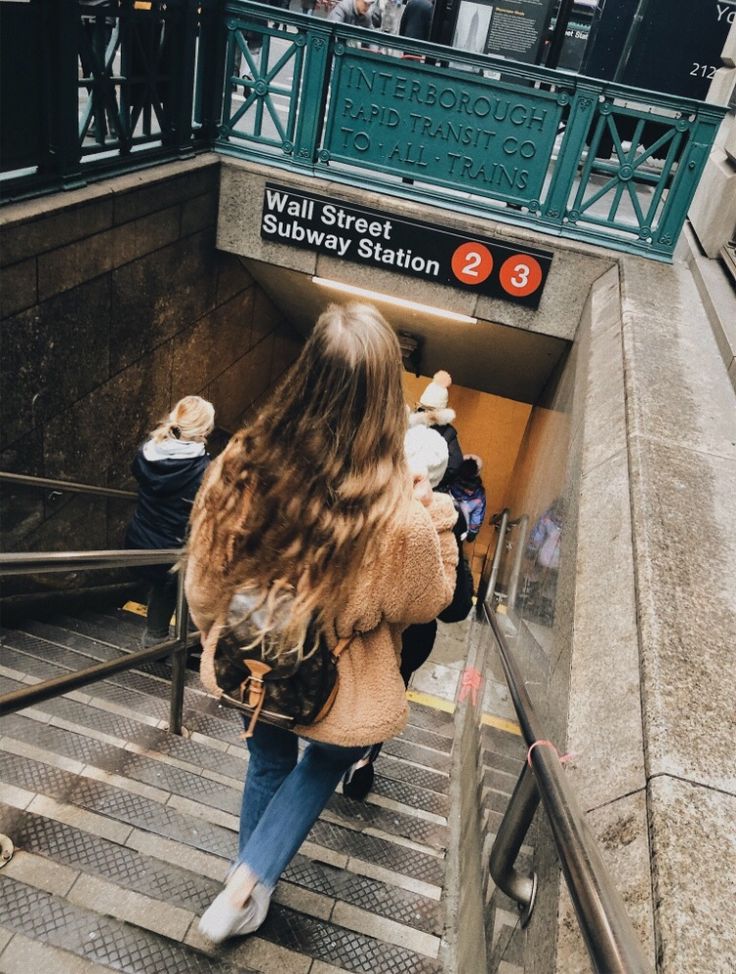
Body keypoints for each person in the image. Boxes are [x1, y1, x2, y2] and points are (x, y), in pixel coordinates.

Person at [185, 303, 458, 943]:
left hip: (252, 657)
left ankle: (245, 888)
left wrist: (212, 634)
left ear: (306, 372)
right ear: (385, 392)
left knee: (266, 756)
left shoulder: (241, 461)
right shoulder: (395, 506)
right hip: (341, 679)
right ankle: (248, 879)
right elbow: (424, 602)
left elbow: (204, 572)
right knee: (327, 758)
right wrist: (435, 516)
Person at [343, 425, 474, 800]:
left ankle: (333, 744)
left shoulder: (362, 494)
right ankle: (362, 758)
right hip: (412, 635)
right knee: (387, 689)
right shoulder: (446, 521)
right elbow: (455, 608)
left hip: (355, 620)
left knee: (347, 678)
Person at [125, 396, 215, 647]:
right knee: (180, 587)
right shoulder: (203, 470)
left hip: (141, 538)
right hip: (174, 549)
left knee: (161, 588)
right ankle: (180, 641)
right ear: (205, 430)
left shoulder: (148, 450)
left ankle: (155, 637)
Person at [408, 370, 464, 490]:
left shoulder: (409, 424)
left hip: (403, 484)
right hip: (430, 489)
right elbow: (455, 464)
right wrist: (435, 479)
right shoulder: (449, 433)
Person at [450, 455, 487, 543]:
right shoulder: (478, 496)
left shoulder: (450, 481)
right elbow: (477, 515)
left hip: (444, 517)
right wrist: (472, 532)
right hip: (460, 527)